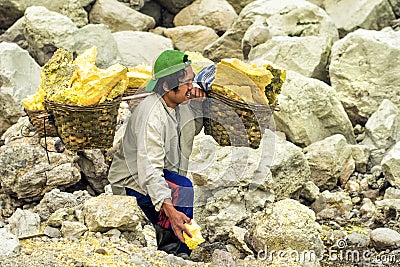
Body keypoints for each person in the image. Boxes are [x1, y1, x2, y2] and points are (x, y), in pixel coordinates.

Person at [107, 50, 206, 257]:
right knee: (182, 188)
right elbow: (149, 170)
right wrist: (170, 209)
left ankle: (173, 241)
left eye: (192, 81)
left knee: (179, 186)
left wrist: (198, 104)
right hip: (131, 182)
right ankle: (175, 250)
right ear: (168, 86)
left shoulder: (177, 104)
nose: (191, 87)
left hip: (155, 175)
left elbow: (189, 130)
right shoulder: (151, 115)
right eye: (187, 82)